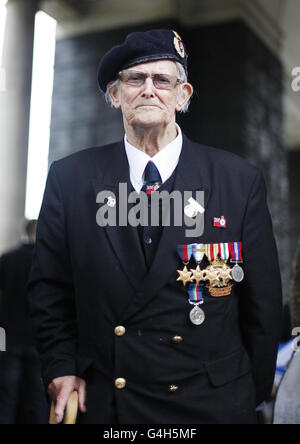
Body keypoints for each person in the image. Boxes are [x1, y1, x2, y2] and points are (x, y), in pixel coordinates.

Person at [28, 29, 283, 424]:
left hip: (211, 403)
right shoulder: (71, 179)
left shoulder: (238, 180)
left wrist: (248, 393)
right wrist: (61, 364)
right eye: (135, 79)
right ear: (116, 96)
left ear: (183, 96)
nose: (149, 89)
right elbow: (50, 289)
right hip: (111, 402)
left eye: (162, 80)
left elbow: (262, 303)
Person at [0, 220, 48, 424]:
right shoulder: (48, 263)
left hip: (9, 337)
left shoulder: (7, 259)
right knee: (37, 398)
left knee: (6, 397)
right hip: (39, 339)